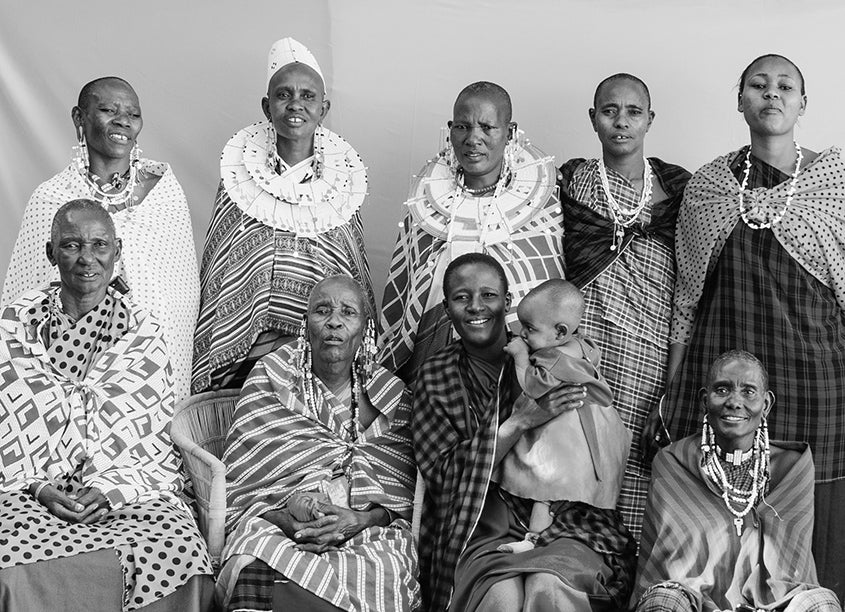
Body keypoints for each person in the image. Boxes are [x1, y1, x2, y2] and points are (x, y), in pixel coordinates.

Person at [661, 54, 845, 600]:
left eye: (785, 86)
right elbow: (688, 295)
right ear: (740, 99)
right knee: (725, 498)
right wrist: (671, 387)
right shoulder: (710, 186)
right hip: (729, 378)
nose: (772, 94)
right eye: (758, 86)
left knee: (814, 505)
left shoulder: (834, 180)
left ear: (803, 103)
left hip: (818, 378)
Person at [0, 199, 213, 611]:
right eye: (72, 245)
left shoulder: (144, 330)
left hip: (128, 491)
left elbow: (152, 438)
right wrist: (40, 487)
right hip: (28, 492)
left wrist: (113, 489)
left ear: (117, 252)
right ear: (50, 253)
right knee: (6, 558)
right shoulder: (15, 325)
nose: (87, 259)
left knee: (180, 551)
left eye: (100, 245)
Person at [413, 252, 636, 612]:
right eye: (461, 297)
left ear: (507, 301)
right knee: (503, 599)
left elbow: (597, 431)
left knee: (548, 588)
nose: (475, 307)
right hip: (481, 524)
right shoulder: (436, 375)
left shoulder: (554, 356)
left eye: (487, 295)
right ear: (446, 307)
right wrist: (519, 422)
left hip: (566, 522)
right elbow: (441, 476)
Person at [218, 275, 419, 612]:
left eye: (348, 312)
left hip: (364, 529)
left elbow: (402, 495)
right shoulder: (272, 376)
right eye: (322, 310)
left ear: (365, 329)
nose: (334, 321)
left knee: (388, 566)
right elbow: (245, 484)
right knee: (255, 561)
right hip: (279, 522)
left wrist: (358, 520)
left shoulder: (392, 396)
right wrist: (289, 521)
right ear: (305, 324)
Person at [192, 37, 374, 394]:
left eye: (308, 96)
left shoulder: (342, 186)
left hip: (321, 349)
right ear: (266, 106)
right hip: (243, 352)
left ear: (324, 107)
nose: (296, 105)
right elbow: (221, 266)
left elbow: (350, 270)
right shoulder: (237, 179)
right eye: (284, 94)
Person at [2, 76, 200, 402]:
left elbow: (180, 295)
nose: (123, 121)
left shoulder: (164, 192)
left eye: (133, 114)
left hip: (151, 358)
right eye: (108, 109)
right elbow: (27, 292)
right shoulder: (52, 198)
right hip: (71, 356)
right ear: (79, 118)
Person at [558, 73, 690, 541]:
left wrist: (674, 384)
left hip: (650, 360)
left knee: (638, 472)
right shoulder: (571, 182)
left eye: (633, 112)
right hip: (586, 355)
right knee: (577, 461)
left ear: (650, 120)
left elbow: (690, 287)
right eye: (609, 111)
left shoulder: (679, 191)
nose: (621, 122)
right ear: (593, 119)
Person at [379, 81, 565, 388]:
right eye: (462, 126)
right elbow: (406, 291)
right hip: (433, 366)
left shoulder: (545, 204)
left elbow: (551, 292)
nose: (473, 138)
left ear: (510, 132)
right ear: (450, 130)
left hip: (518, 365)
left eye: (487, 127)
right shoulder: (425, 204)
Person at [634, 350, 841, 612]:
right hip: (691, 601)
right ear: (704, 400)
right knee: (663, 602)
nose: (734, 401)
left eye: (748, 392)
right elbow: (671, 566)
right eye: (722, 390)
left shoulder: (791, 467)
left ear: (765, 404)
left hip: (776, 604)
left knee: (821, 603)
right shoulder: (674, 462)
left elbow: (791, 567)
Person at [496, 279, 630, 555]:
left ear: (560, 332)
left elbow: (532, 389)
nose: (523, 335)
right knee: (568, 496)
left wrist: (521, 358)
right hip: (601, 428)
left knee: (545, 489)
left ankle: (532, 539)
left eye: (529, 329)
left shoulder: (553, 358)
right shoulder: (583, 346)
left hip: (569, 436)